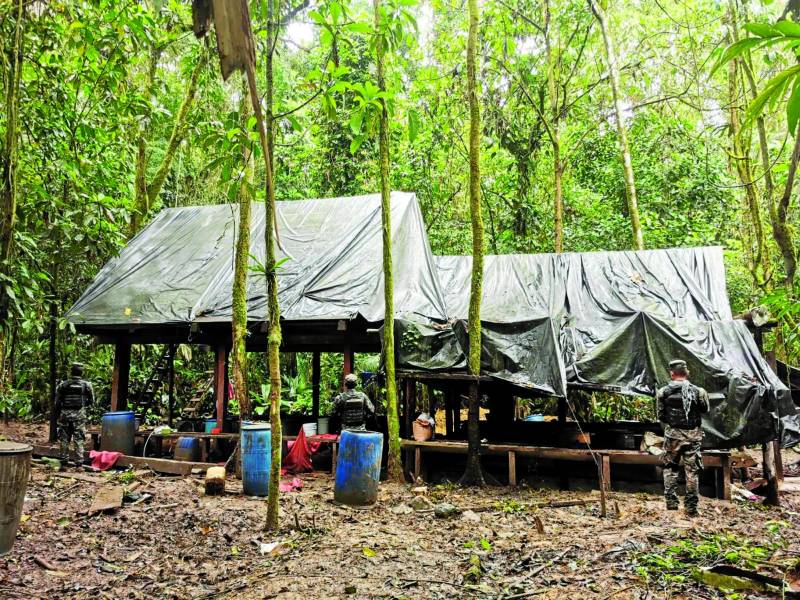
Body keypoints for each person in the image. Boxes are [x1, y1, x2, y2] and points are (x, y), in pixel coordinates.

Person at [656, 359, 710, 516]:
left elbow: (661, 416)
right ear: (687, 373)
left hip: (673, 436)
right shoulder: (698, 391)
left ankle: (671, 504)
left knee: (670, 469)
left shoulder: (663, 392)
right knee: (692, 472)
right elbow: (705, 409)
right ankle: (691, 508)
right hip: (693, 436)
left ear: (671, 374)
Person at [55, 362, 94, 468]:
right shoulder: (87, 385)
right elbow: (91, 401)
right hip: (79, 416)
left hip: (65, 416)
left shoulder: (63, 385)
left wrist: (58, 415)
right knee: (79, 439)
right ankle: (79, 464)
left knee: (64, 439)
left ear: (71, 371)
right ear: (82, 372)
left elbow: (57, 402)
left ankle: (63, 463)